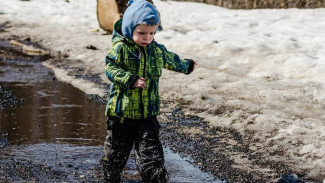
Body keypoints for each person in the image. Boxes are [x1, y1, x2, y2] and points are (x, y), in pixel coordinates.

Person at [101, 0, 197, 182]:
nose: (147, 38)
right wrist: (130, 79)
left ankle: (154, 175)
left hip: (147, 113)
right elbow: (110, 68)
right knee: (117, 151)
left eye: (152, 33)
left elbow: (171, 59)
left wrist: (187, 65)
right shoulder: (121, 48)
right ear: (130, 29)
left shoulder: (156, 50)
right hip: (121, 114)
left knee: (150, 149)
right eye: (142, 33)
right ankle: (111, 174)